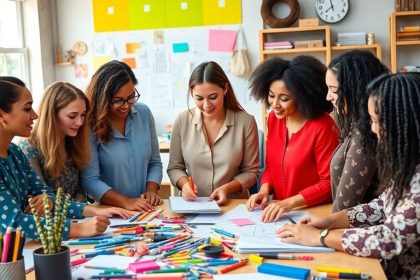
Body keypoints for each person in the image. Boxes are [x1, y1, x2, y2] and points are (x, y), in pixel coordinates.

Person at [277, 73, 420, 279]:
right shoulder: (409, 163)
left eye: (376, 120)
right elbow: (381, 206)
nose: (372, 128)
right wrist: (330, 221)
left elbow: (389, 239)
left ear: (402, 122)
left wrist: (321, 237)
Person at [0, 76, 135, 240]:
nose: (35, 115)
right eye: (27, 109)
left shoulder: (14, 153)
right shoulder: (26, 148)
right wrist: (79, 229)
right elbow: (12, 223)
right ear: (2, 115)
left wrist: (90, 210)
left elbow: (48, 196)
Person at [246, 56, 339, 222]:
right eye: (271, 96)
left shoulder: (323, 127)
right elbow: (272, 166)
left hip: (314, 214)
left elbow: (329, 183)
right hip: (281, 213)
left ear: (303, 96)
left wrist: (288, 204)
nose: (274, 105)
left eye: (284, 99)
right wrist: (264, 189)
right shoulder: (274, 119)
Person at [167, 61, 259, 205]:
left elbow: (251, 172)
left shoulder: (246, 122)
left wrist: (227, 189)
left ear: (225, 89)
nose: (206, 105)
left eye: (213, 97)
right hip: (193, 205)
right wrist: (184, 184)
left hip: (233, 205)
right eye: (199, 98)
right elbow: (174, 168)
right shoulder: (182, 120)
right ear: (192, 93)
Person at [81, 60, 163, 211]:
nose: (126, 105)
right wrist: (126, 202)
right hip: (110, 212)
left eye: (131, 97)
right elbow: (90, 180)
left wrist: (151, 190)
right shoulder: (89, 125)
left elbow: (155, 162)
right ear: (102, 98)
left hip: (145, 208)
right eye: (118, 101)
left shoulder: (144, 113)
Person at [326, 50, 389, 211]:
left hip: (357, 231)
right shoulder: (355, 125)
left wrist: (322, 230)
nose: (328, 97)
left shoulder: (366, 134)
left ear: (356, 90)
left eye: (334, 90)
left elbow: (343, 209)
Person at [19, 82, 90, 202]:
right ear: (51, 115)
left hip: (77, 216)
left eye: (83, 115)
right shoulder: (28, 147)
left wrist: (81, 207)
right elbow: (43, 199)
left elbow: (81, 190)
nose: (80, 122)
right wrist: (80, 210)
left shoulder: (73, 141)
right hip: (51, 219)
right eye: (72, 116)